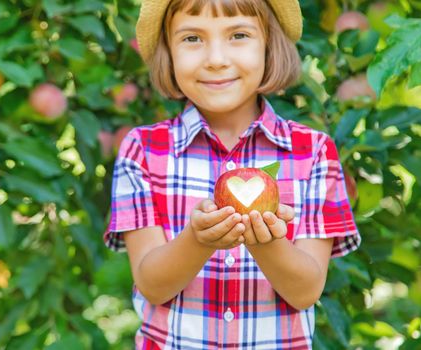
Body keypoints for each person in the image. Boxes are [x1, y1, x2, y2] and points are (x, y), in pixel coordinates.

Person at [104, 0, 361, 348]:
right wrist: (197, 240)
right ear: (169, 52)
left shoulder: (312, 152)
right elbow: (152, 285)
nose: (216, 58)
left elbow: (306, 291)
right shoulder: (144, 150)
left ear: (270, 45)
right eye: (192, 38)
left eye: (238, 35)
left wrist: (266, 240)